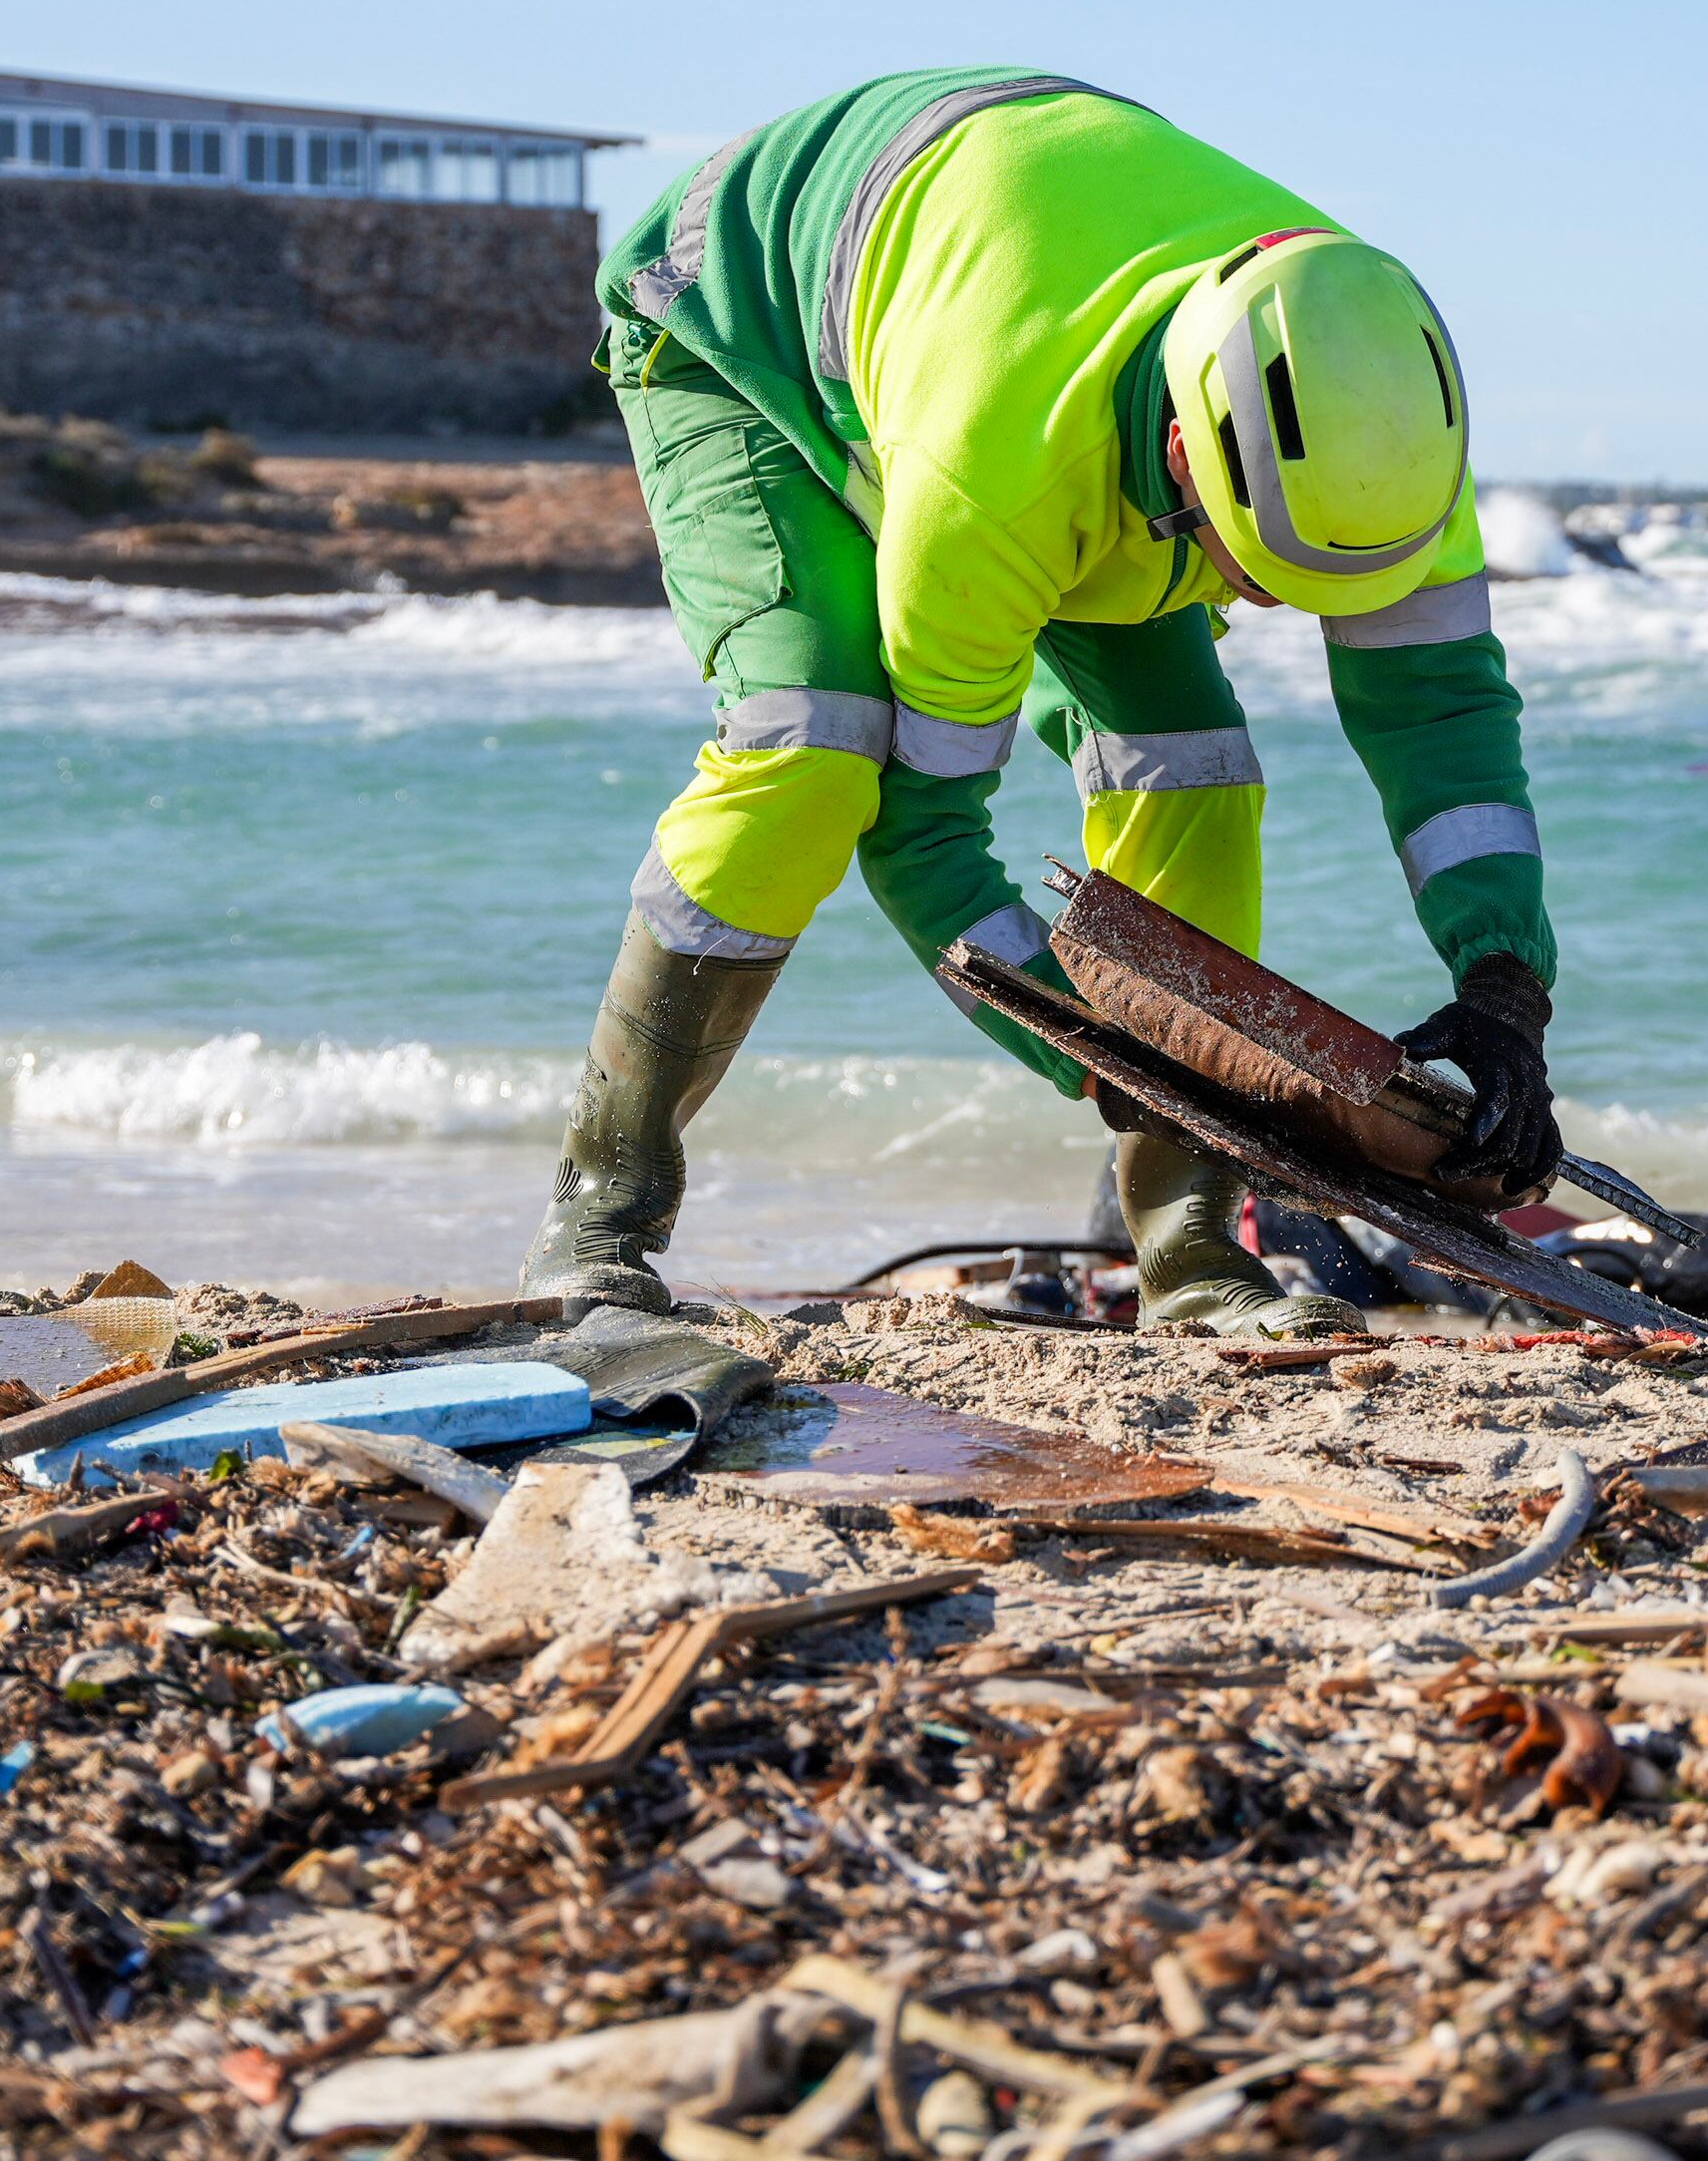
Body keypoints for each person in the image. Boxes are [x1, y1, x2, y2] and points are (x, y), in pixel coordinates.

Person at [523, 66, 1562, 1339]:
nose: (1282, 612)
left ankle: (1192, 1259)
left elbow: (1442, 721)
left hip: (1035, 301)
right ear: (1188, 453)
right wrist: (1095, 1047)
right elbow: (924, 835)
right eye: (1255, 575)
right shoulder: (989, 486)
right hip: (740, 320)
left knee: (1196, 774)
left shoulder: (1377, 421)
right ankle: (602, 1216)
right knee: (817, 747)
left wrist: (1507, 977)